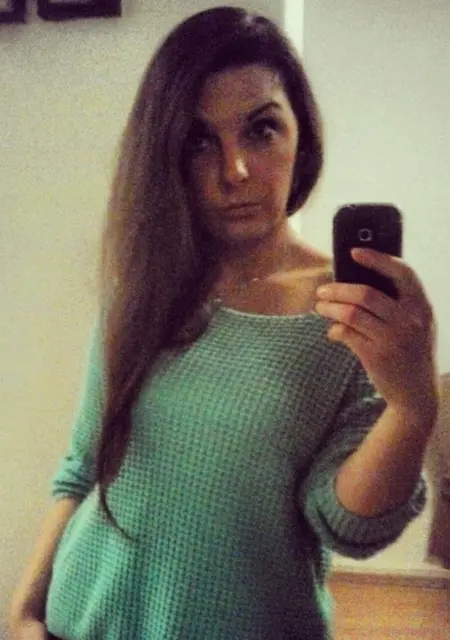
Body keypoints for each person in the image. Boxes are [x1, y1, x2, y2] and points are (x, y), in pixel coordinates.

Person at [9, 6, 439, 640]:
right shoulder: (142, 287)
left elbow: (348, 527)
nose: (234, 171)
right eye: (199, 141)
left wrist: (412, 407)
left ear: (302, 136)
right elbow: (81, 467)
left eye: (261, 130)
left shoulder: (345, 312)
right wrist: (23, 612)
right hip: (81, 621)